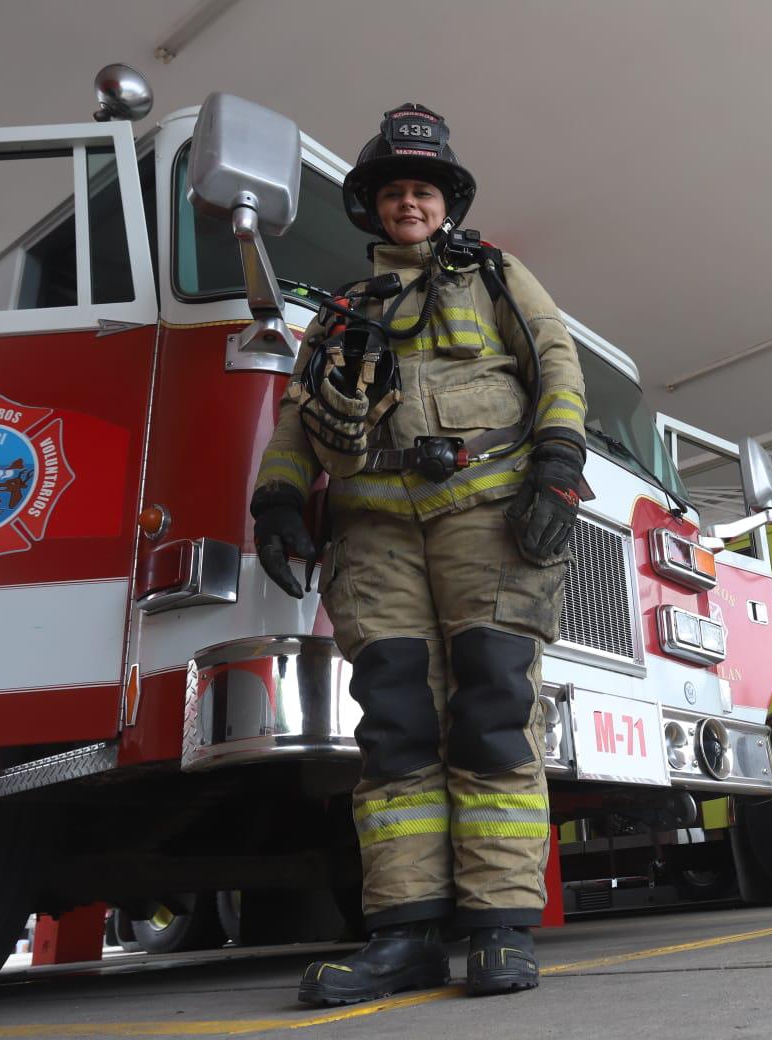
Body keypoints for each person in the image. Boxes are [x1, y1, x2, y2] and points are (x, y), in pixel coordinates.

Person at [249, 103, 588, 1006]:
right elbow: (294, 419)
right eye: (395, 189)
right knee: (393, 727)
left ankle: (501, 928)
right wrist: (279, 500)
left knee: (492, 706)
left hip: (486, 512)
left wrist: (557, 462)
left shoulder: (499, 274)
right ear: (373, 206)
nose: (410, 202)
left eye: (424, 190)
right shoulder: (342, 312)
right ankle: (402, 936)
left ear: (447, 203)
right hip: (372, 527)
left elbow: (555, 359)